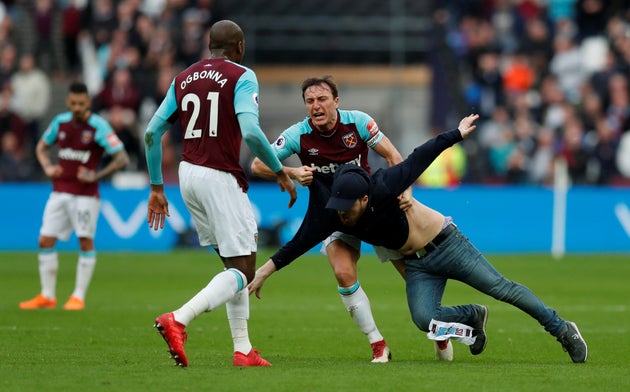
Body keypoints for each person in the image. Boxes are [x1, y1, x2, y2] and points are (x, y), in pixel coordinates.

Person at [323, 114, 588, 363]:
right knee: (425, 320)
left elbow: (420, 156)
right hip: (416, 264)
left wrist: (457, 134)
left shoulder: (384, 184)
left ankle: (562, 329)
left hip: (447, 245)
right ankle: (473, 315)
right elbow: (309, 233)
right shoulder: (347, 211)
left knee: (501, 288)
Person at [144, 20, 297, 368]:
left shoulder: (182, 78)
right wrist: (279, 170)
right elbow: (252, 132)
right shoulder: (242, 75)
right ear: (239, 46)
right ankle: (178, 319)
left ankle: (243, 349)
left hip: (187, 175)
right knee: (244, 269)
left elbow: (152, 132)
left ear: (209, 45)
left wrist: (156, 185)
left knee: (233, 263)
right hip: (219, 176)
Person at [249, 75, 411, 363]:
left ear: (336, 101)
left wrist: (405, 192)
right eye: (310, 101)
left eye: (322, 99)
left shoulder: (358, 122)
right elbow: (258, 164)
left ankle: (436, 326)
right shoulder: (298, 134)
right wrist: (292, 172)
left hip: (369, 210)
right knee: (343, 273)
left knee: (411, 274)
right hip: (334, 215)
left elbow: (394, 157)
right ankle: (378, 344)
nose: (316, 106)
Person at [19, 81, 130, 311]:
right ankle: (47, 295)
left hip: (85, 196)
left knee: (84, 241)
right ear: (68, 102)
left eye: (82, 103)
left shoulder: (99, 126)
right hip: (59, 192)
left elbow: (122, 158)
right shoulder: (60, 123)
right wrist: (48, 167)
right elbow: (41, 147)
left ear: (88, 102)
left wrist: (96, 176)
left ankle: (78, 296)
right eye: (74, 103)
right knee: (45, 240)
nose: (77, 107)